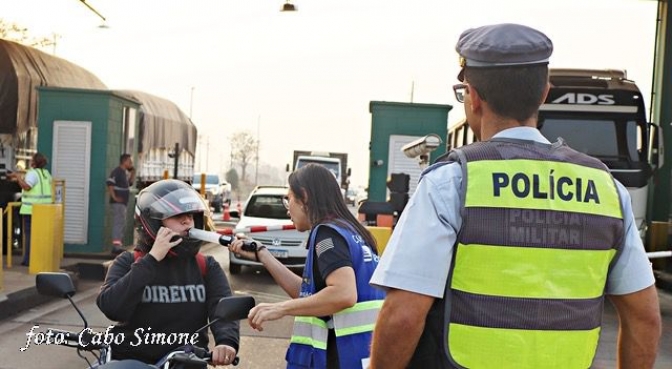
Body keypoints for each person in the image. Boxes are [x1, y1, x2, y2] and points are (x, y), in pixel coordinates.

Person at [369, 23, 662, 369]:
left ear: (473, 97)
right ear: (544, 93)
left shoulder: (452, 182)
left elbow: (403, 316)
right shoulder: (606, 188)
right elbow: (644, 319)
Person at [229, 163, 385, 368]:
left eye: (289, 199)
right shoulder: (352, 233)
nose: (288, 210)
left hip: (339, 357)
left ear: (305, 196)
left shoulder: (326, 234)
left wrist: (280, 309)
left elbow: (343, 294)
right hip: (359, 356)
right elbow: (309, 297)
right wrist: (263, 255)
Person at [97, 179, 239, 366]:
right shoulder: (129, 261)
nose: (187, 220)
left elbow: (223, 309)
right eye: (176, 215)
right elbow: (112, 308)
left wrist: (226, 343)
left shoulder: (207, 266)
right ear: (153, 223)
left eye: (190, 215)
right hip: (130, 361)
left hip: (186, 361)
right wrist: (152, 259)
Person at [10, 152, 52, 266]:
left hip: (31, 209)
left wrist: (17, 177)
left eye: (32, 159)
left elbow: (27, 187)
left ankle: (28, 260)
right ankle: (40, 258)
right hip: (44, 209)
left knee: (29, 235)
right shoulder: (46, 174)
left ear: (34, 162)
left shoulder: (32, 173)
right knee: (40, 236)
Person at [107, 153, 135, 255]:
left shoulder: (124, 173)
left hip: (123, 203)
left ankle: (118, 245)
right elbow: (110, 183)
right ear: (124, 161)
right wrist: (114, 197)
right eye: (129, 161)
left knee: (121, 223)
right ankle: (116, 247)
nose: (131, 163)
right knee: (118, 223)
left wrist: (133, 172)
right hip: (118, 203)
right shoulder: (117, 171)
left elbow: (130, 183)